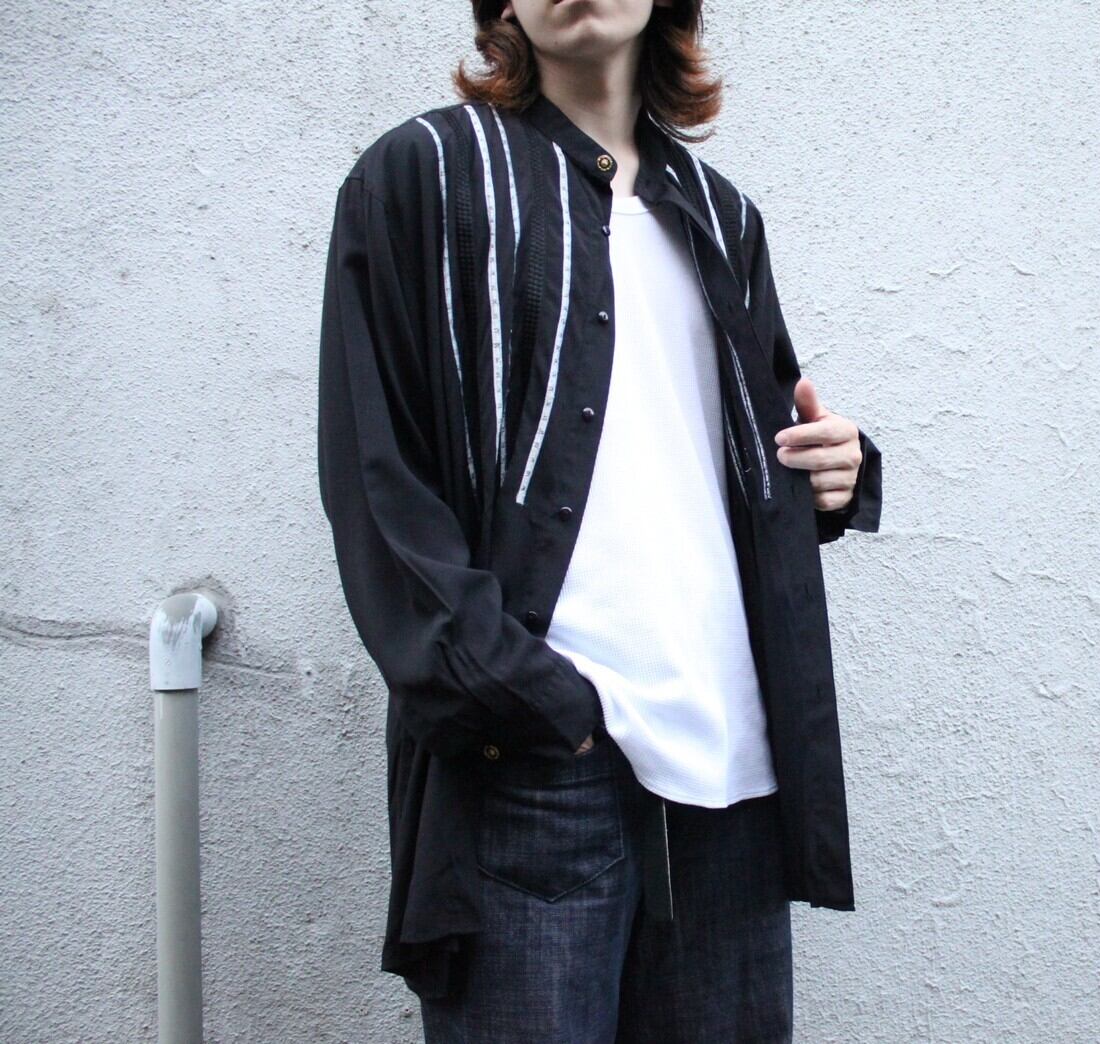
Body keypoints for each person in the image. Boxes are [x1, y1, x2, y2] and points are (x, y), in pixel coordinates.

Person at [316, 0, 882, 1038]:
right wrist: (526, 698)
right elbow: (376, 474)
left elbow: (743, 453)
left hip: (729, 775)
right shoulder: (426, 176)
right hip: (531, 774)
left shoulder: (721, 216)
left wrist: (838, 471)